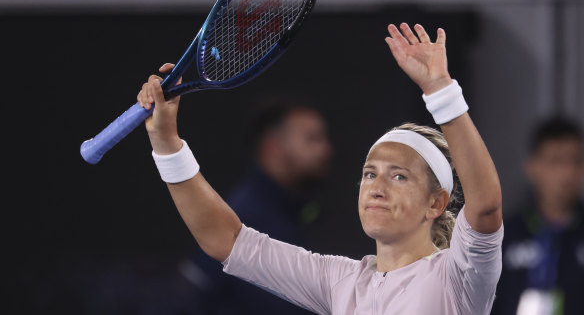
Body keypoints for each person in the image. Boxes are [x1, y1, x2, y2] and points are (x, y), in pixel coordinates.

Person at [137, 22, 503, 314]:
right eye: (370, 173)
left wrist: (440, 89)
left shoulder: (458, 275)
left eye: (399, 176)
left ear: (436, 203)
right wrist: (167, 143)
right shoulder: (338, 280)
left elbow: (485, 207)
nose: (377, 187)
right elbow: (226, 241)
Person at [179, 98, 333, 314]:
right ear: (273, 148)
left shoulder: (289, 213)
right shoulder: (248, 218)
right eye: (311, 139)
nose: (325, 150)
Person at [492, 116, 584, 315]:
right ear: (532, 166)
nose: (567, 173)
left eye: (576, 161)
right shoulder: (503, 235)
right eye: (556, 161)